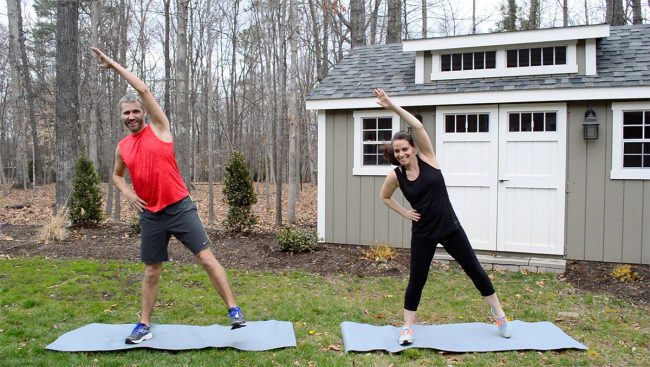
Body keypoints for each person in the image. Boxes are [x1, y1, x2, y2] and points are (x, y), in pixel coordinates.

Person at [91, 47, 246, 344]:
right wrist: (127, 194)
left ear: (145, 112)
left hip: (179, 207)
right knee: (151, 270)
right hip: (151, 214)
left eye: (136, 111)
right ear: (121, 117)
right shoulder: (123, 147)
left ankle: (234, 310)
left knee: (206, 258)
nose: (132, 116)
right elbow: (115, 175)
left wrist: (114, 65)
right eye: (127, 113)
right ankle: (144, 324)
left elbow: (143, 88)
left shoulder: (161, 129)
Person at [375, 88, 512, 346]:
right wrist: (405, 212)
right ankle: (407, 328)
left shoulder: (429, 158)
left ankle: (500, 315)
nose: (401, 154)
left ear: (413, 148)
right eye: (397, 151)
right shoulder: (396, 176)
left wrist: (392, 105)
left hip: (450, 228)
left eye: (404, 149)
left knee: (474, 270)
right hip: (424, 233)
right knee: (417, 279)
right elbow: (384, 197)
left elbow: (416, 125)